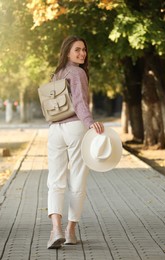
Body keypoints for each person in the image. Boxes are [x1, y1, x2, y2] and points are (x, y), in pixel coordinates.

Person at [47, 35, 104, 249]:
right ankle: (70, 231)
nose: (82, 53)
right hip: (74, 128)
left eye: (84, 50)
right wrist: (89, 122)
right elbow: (79, 102)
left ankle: (55, 229)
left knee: (55, 180)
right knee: (78, 178)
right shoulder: (78, 72)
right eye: (77, 50)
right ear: (67, 52)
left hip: (54, 130)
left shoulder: (57, 73)